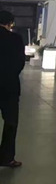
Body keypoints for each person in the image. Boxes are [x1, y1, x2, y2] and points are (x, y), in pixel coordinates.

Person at [0, 11, 25, 168]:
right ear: (10, 23)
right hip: (9, 86)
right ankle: (7, 157)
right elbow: (20, 62)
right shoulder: (16, 39)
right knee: (10, 122)